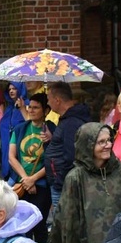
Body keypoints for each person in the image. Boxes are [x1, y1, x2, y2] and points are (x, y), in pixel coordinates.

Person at [8, 93, 56, 243]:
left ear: (46, 110)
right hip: (22, 183)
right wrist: (26, 179)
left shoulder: (52, 129)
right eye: (30, 107)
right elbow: (11, 157)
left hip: (41, 185)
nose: (31, 110)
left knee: (39, 224)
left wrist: (33, 179)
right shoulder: (20, 128)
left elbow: (52, 160)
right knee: (22, 225)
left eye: (36, 108)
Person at [43, 81, 91, 209]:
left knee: (63, 223)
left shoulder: (71, 122)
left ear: (57, 100)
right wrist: (51, 139)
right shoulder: (68, 119)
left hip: (64, 185)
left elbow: (71, 156)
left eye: (49, 99)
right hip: (63, 182)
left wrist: (59, 182)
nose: (47, 103)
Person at [0, 82, 28, 179]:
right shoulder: (10, 107)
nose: (11, 91)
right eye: (9, 89)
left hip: (21, 143)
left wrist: (22, 108)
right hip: (9, 144)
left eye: (14, 89)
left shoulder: (27, 105)